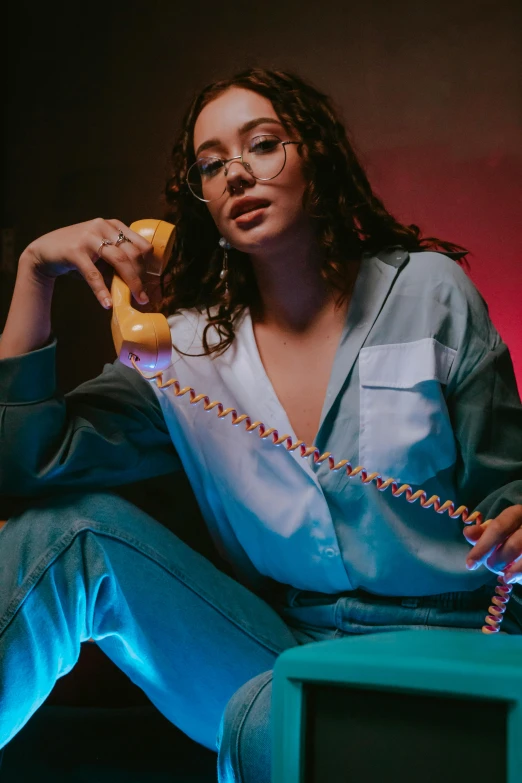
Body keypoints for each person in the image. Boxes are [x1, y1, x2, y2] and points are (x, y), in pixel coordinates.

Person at [0, 66, 521, 782]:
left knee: (268, 719)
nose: (237, 174)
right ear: (201, 201)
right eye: (212, 165)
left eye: (264, 145)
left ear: (315, 154)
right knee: (65, 536)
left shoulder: (430, 292)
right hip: (280, 648)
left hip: (448, 645)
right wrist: (36, 274)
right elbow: (28, 463)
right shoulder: (181, 348)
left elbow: (507, 489)